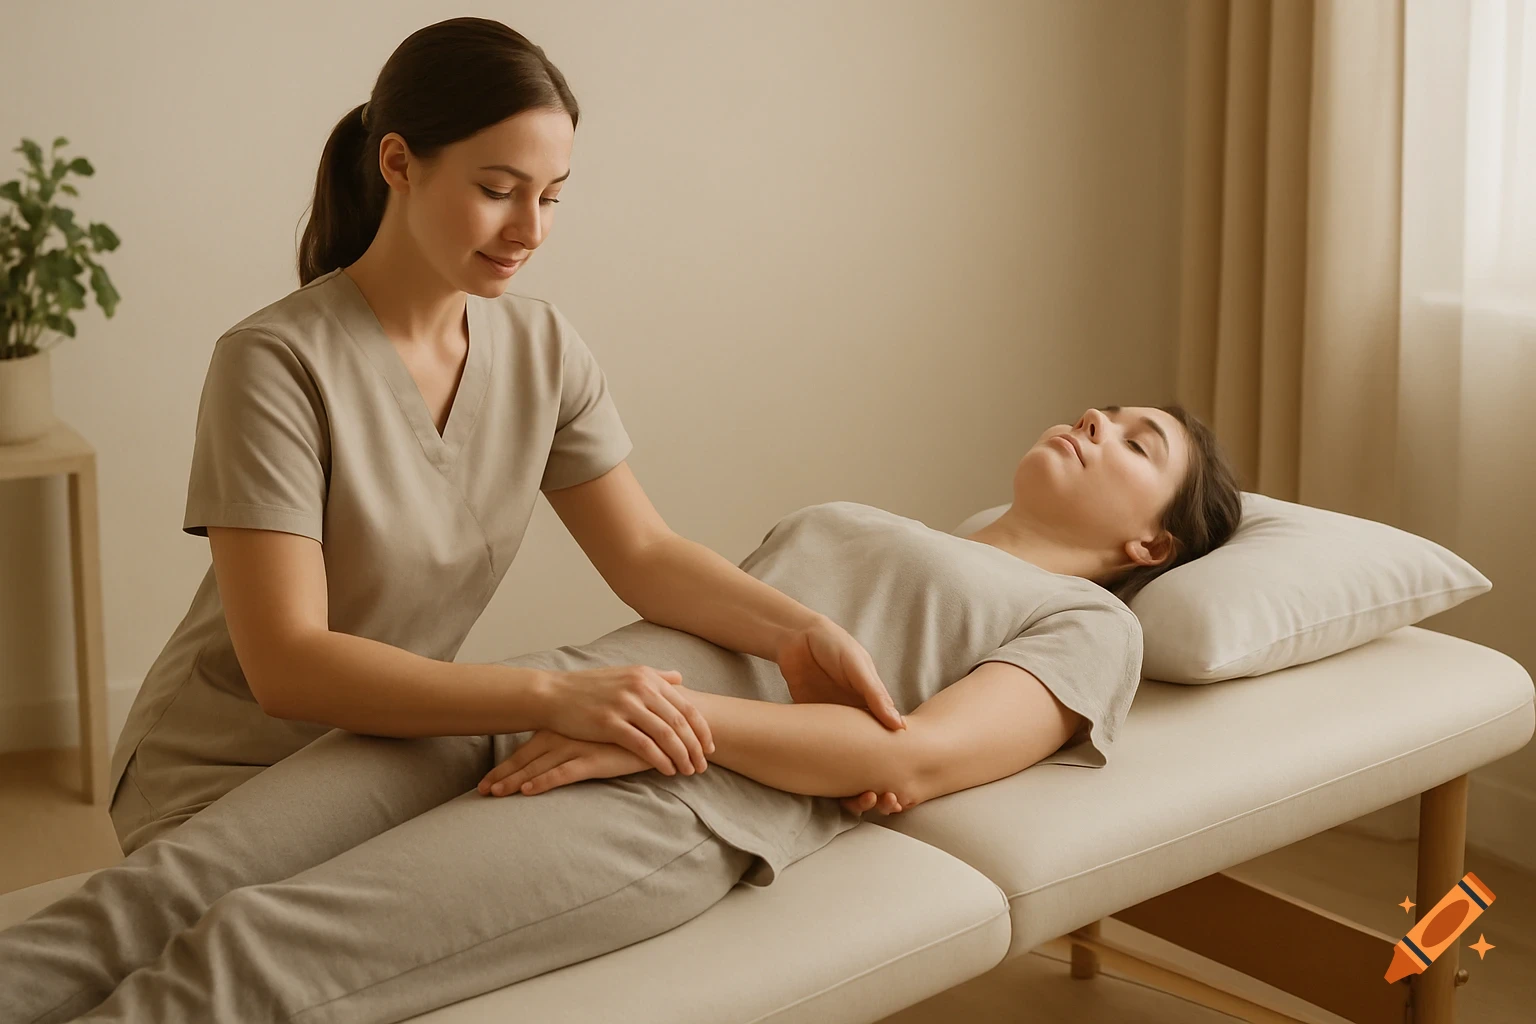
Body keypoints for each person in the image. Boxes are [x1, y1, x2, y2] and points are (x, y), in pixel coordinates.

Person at [0, 401, 1243, 1023]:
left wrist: (656, 722)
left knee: (239, 957)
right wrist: (603, 692)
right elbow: (669, 578)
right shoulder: (892, 526)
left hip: (665, 795)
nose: (1097, 420)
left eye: (1138, 442)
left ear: (1149, 537)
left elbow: (904, 759)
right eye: (1104, 406)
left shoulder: (1095, 628)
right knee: (160, 888)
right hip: (546, 686)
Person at [101, 15, 904, 861]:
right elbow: (288, 666)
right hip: (222, 774)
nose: (531, 228)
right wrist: (549, 695)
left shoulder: (543, 349)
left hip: (376, 754)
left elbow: (645, 554)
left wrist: (799, 635)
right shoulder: (273, 364)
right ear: (399, 163)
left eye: (552, 195)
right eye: (497, 189)